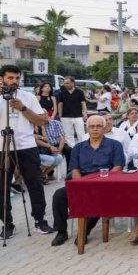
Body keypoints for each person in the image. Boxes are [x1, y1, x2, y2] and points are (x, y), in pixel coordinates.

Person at [49, 115, 126, 246]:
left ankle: (84, 231)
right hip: (82, 184)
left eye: (98, 126)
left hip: (105, 185)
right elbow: (74, 170)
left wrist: (99, 184)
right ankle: (61, 231)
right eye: (92, 126)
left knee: (97, 198)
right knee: (59, 196)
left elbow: (117, 167)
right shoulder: (78, 148)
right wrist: (81, 186)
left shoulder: (115, 145)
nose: (95, 129)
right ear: (87, 128)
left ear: (104, 127)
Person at [0, 65, 53, 239]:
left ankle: (39, 220)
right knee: (3, 187)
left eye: (16, 78)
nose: (14, 81)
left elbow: (41, 121)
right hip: (2, 147)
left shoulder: (28, 97)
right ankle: (7, 224)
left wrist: (22, 108)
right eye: (10, 78)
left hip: (27, 146)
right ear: (2, 79)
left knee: (35, 184)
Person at [57, 76, 87, 147]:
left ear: (72, 83)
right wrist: (60, 116)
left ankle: (82, 149)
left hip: (78, 116)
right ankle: (72, 150)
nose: (66, 85)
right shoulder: (62, 93)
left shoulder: (79, 92)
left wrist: (85, 113)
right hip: (65, 117)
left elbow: (83, 103)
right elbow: (60, 105)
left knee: (81, 134)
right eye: (64, 83)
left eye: (67, 83)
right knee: (68, 135)